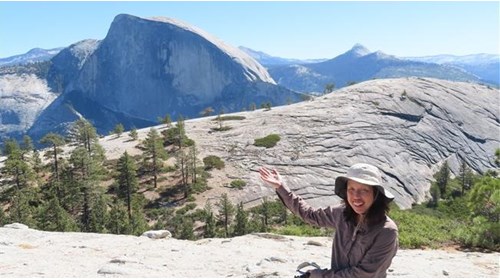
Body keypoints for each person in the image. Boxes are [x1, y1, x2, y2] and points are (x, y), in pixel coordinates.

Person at [259, 163, 398, 278]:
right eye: (351, 189)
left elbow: (363, 275)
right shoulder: (341, 213)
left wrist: (320, 275)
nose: (356, 196)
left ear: (376, 194)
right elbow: (310, 215)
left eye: (364, 190)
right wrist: (281, 188)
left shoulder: (386, 231)